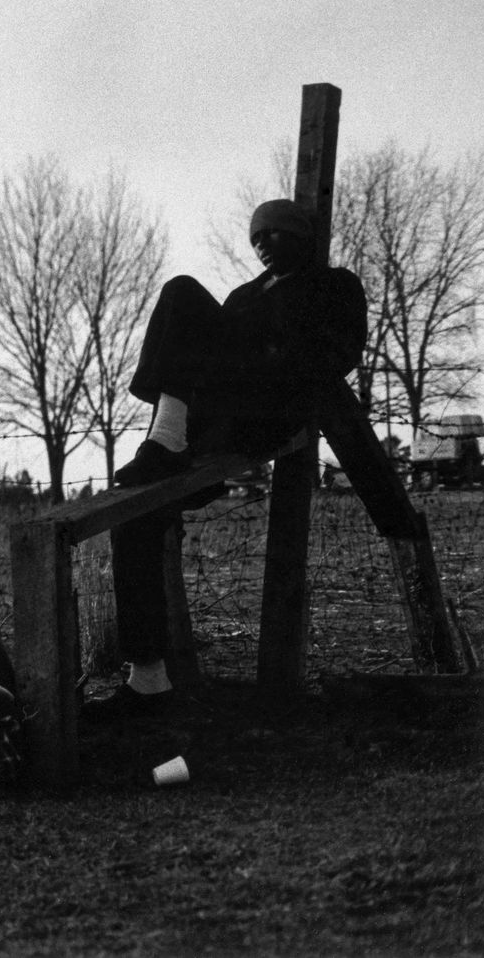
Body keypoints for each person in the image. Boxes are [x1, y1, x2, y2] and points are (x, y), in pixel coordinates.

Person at [89, 199, 367, 718]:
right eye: (256, 238)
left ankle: (165, 438)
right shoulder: (243, 295)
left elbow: (339, 354)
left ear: (302, 237)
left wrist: (274, 362)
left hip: (268, 403)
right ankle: (147, 679)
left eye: (274, 234)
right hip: (216, 413)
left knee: (183, 292)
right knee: (135, 515)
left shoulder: (333, 285)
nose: (262, 245)